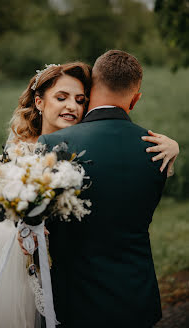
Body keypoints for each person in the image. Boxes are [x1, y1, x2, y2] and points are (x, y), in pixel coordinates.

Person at [0, 59, 179, 328]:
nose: (72, 106)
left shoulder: (79, 149)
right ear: (39, 102)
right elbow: (0, 225)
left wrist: (174, 146)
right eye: (61, 97)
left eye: (81, 100)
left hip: (73, 294)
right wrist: (25, 229)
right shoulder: (20, 158)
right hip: (34, 283)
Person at [36, 51, 179, 328]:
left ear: (89, 91)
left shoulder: (53, 144)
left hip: (76, 301)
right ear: (135, 99)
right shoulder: (160, 149)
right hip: (138, 297)